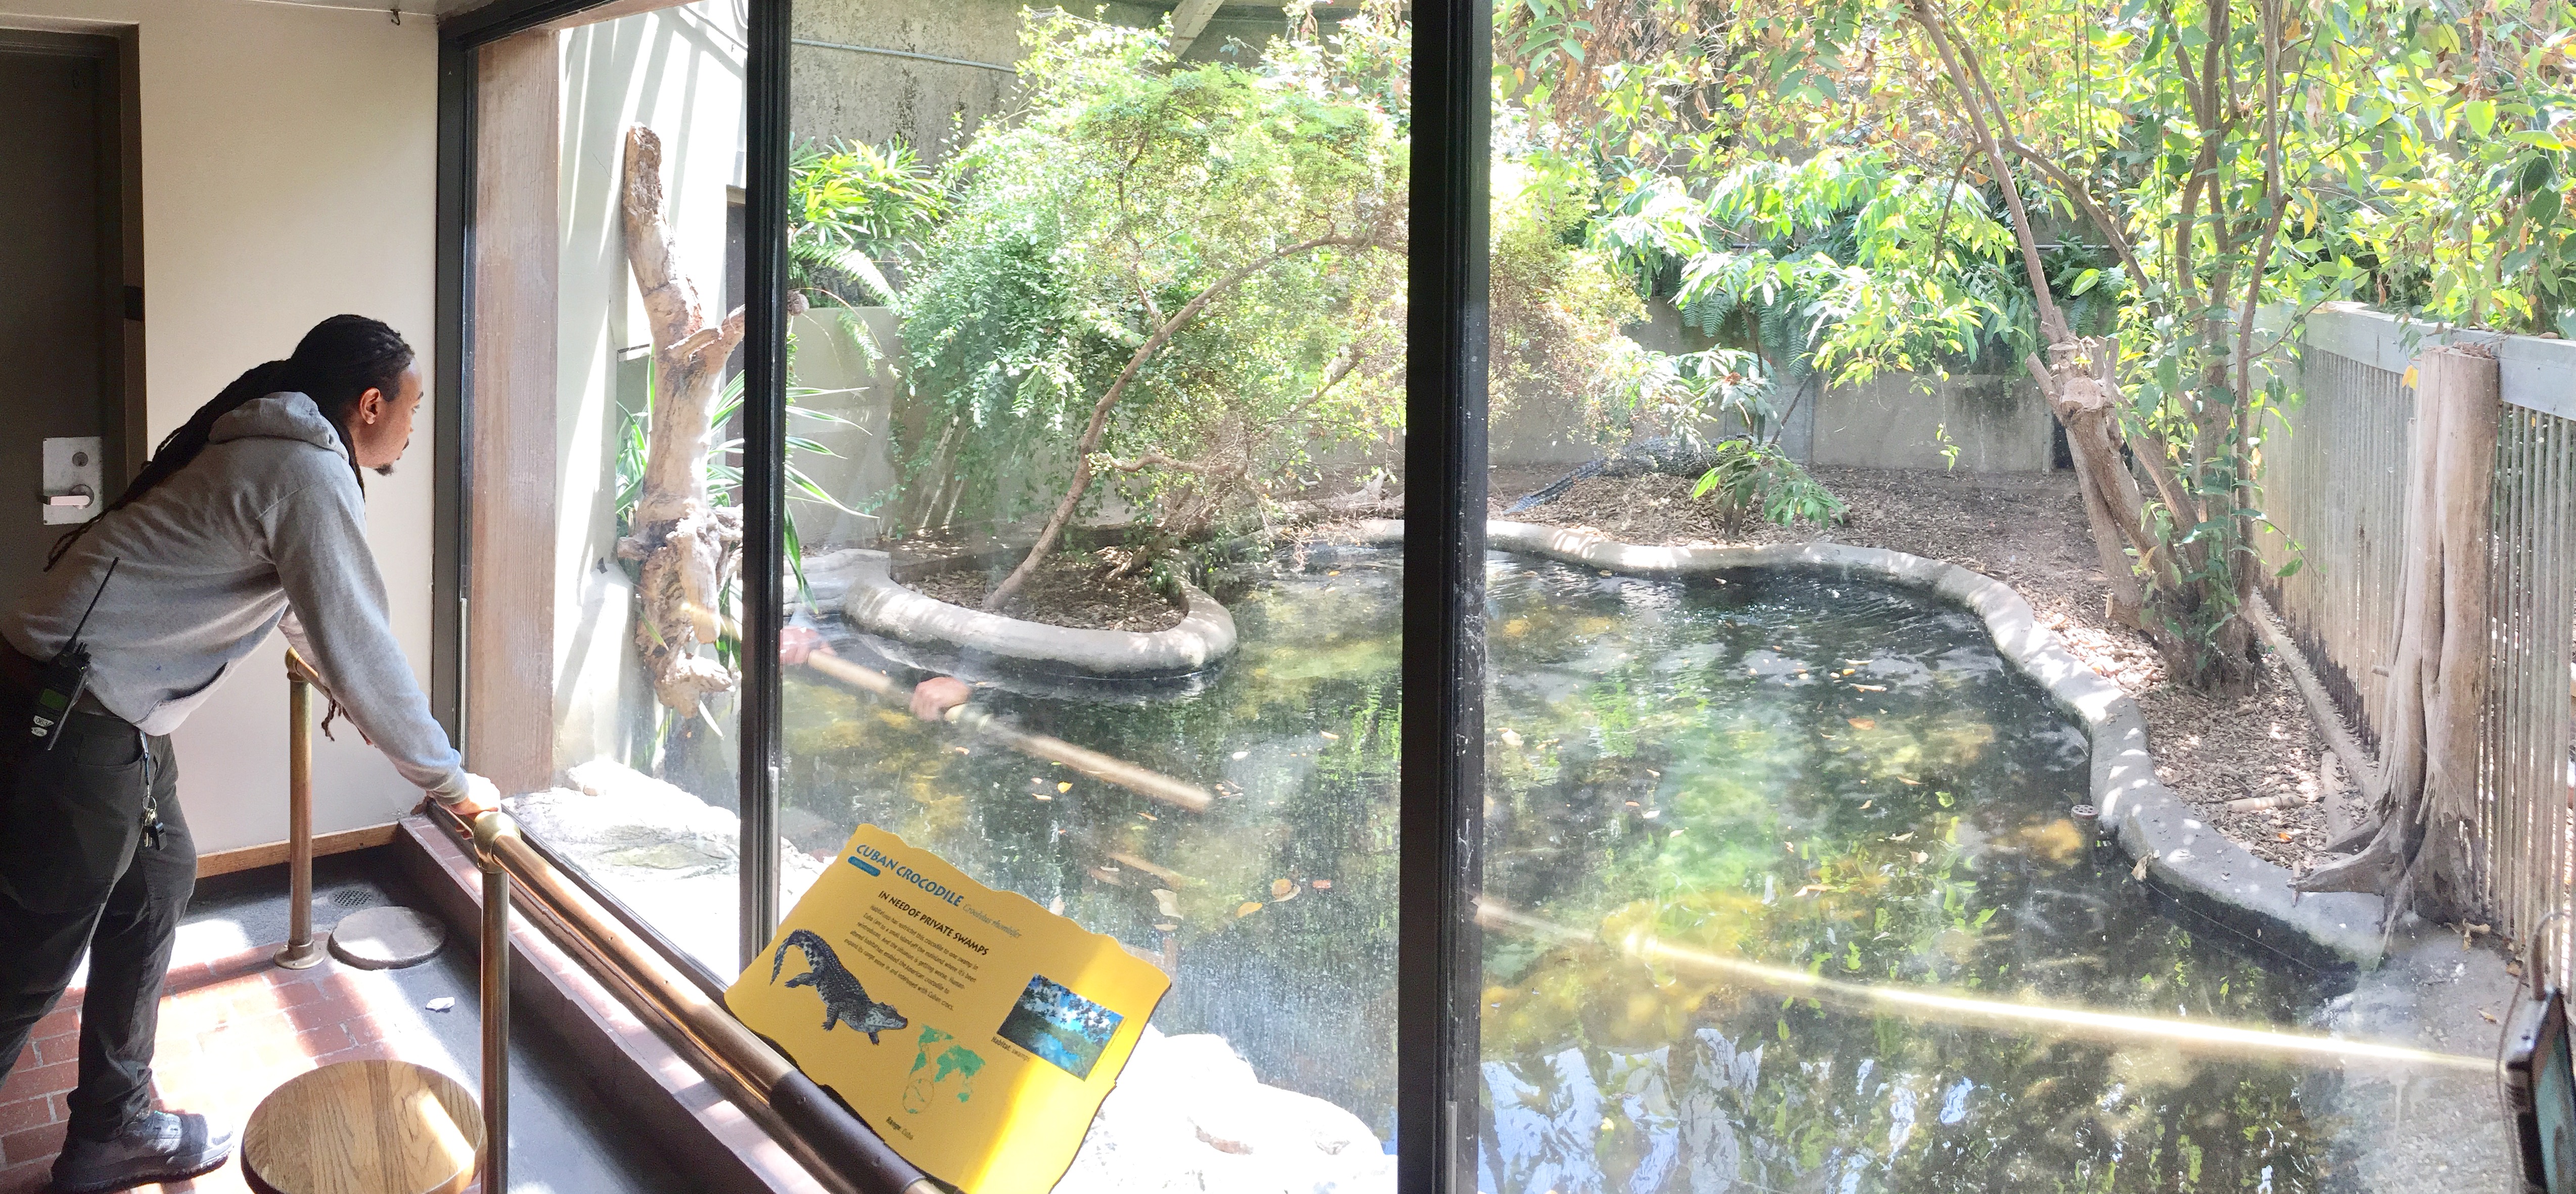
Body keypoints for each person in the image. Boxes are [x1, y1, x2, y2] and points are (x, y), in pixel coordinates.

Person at [0, 315, 500, 1193]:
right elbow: (363, 647)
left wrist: (342, 678)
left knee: (158, 877)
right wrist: (450, 781)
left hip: (102, 705)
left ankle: (111, 1130)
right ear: (371, 402)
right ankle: (112, 1124)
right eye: (412, 408)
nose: (413, 428)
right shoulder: (305, 469)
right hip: (74, 712)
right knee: (27, 964)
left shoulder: (278, 444)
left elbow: (312, 610)